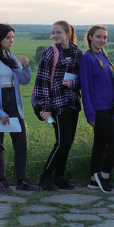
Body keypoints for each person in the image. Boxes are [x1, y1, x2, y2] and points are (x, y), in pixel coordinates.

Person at [0, 24, 38, 193]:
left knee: (21, 144)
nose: (11, 41)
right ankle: (2, 182)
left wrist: (26, 67)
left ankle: (22, 180)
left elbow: (24, 80)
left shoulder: (11, 57)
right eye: (8, 37)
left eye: (12, 37)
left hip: (13, 102)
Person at [34, 20, 83, 191]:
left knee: (67, 143)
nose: (55, 35)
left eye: (58, 32)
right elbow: (42, 80)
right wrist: (45, 107)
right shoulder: (50, 52)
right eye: (53, 32)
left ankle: (59, 177)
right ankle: (44, 177)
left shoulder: (78, 52)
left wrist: (74, 84)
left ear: (68, 34)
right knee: (63, 142)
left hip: (73, 102)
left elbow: (83, 79)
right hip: (57, 103)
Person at [79, 25, 114, 193]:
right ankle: (103, 174)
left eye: (104, 37)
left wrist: (112, 107)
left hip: (107, 108)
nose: (102, 40)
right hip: (97, 110)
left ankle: (93, 178)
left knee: (100, 144)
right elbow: (86, 88)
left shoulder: (103, 55)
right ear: (90, 37)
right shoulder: (87, 58)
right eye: (99, 36)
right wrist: (90, 114)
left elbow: (106, 85)